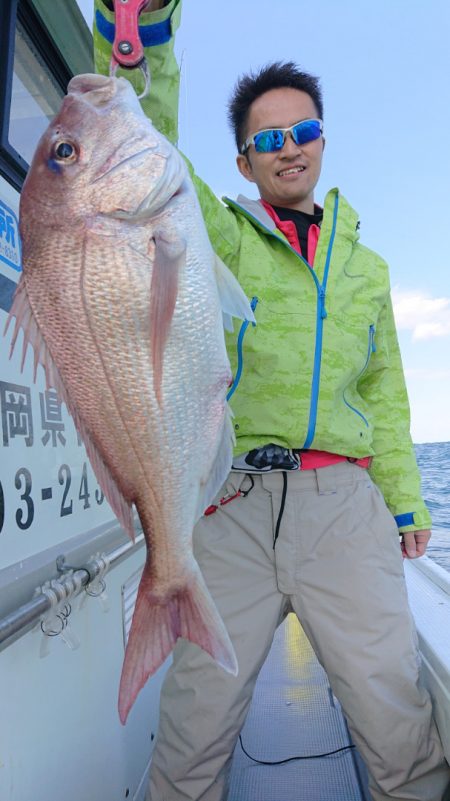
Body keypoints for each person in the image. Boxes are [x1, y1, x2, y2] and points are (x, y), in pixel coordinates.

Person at [93, 2, 450, 799]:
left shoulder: (371, 267)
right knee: (194, 724)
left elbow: (385, 390)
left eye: (304, 132)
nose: (289, 149)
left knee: (396, 719)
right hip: (232, 502)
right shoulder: (213, 230)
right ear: (244, 162)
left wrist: (405, 501)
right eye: (268, 139)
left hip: (343, 503)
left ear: (322, 139)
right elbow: (137, 136)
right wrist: (141, 27)